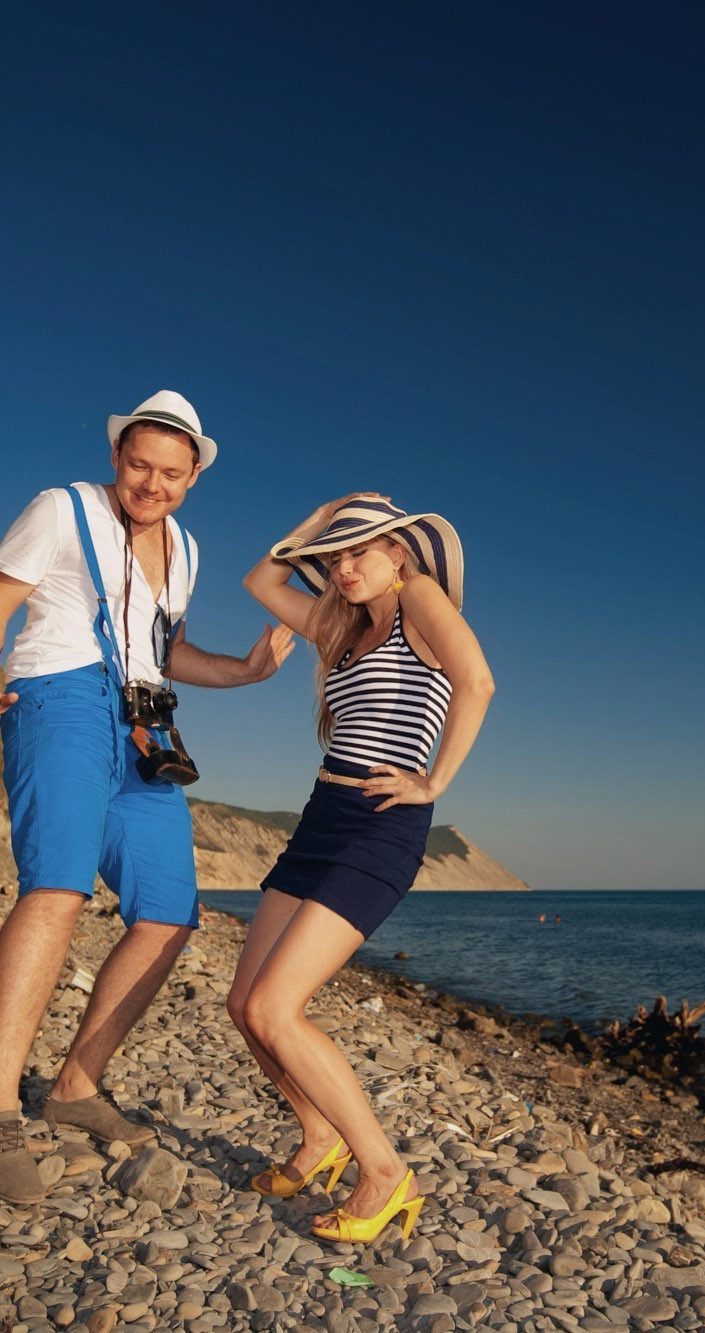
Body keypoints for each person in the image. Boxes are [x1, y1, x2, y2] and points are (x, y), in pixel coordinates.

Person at [0, 390, 294, 1203]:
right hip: (60, 697)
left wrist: (244, 671)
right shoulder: (60, 508)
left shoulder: (188, 547)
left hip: (147, 729)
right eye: (140, 464)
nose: (153, 483)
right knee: (58, 888)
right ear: (117, 458)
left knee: (169, 914)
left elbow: (166, 652)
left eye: (171, 472)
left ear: (193, 477)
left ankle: (74, 1083)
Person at [229, 494, 494, 1243]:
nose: (344, 568)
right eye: (335, 557)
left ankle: (385, 1173)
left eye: (360, 552)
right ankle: (319, 1136)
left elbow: (478, 682)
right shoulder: (341, 627)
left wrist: (434, 781)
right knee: (245, 1004)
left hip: (381, 829)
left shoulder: (418, 599)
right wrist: (319, 517)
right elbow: (260, 582)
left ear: (400, 555)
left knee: (279, 1008)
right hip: (321, 819)